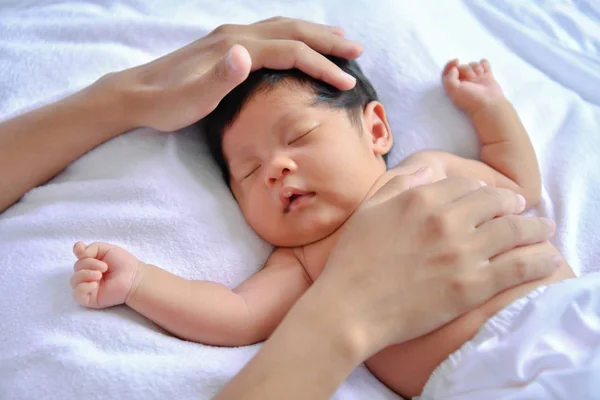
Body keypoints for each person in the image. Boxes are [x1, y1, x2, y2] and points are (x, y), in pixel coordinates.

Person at [1, 17, 559, 399]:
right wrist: (140, 281)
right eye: (248, 172)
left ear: (377, 129)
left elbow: (516, 184)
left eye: (299, 136)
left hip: (563, 312)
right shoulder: (306, 260)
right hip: (482, 381)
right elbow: (233, 315)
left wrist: (492, 110)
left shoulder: (431, 168)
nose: (275, 168)